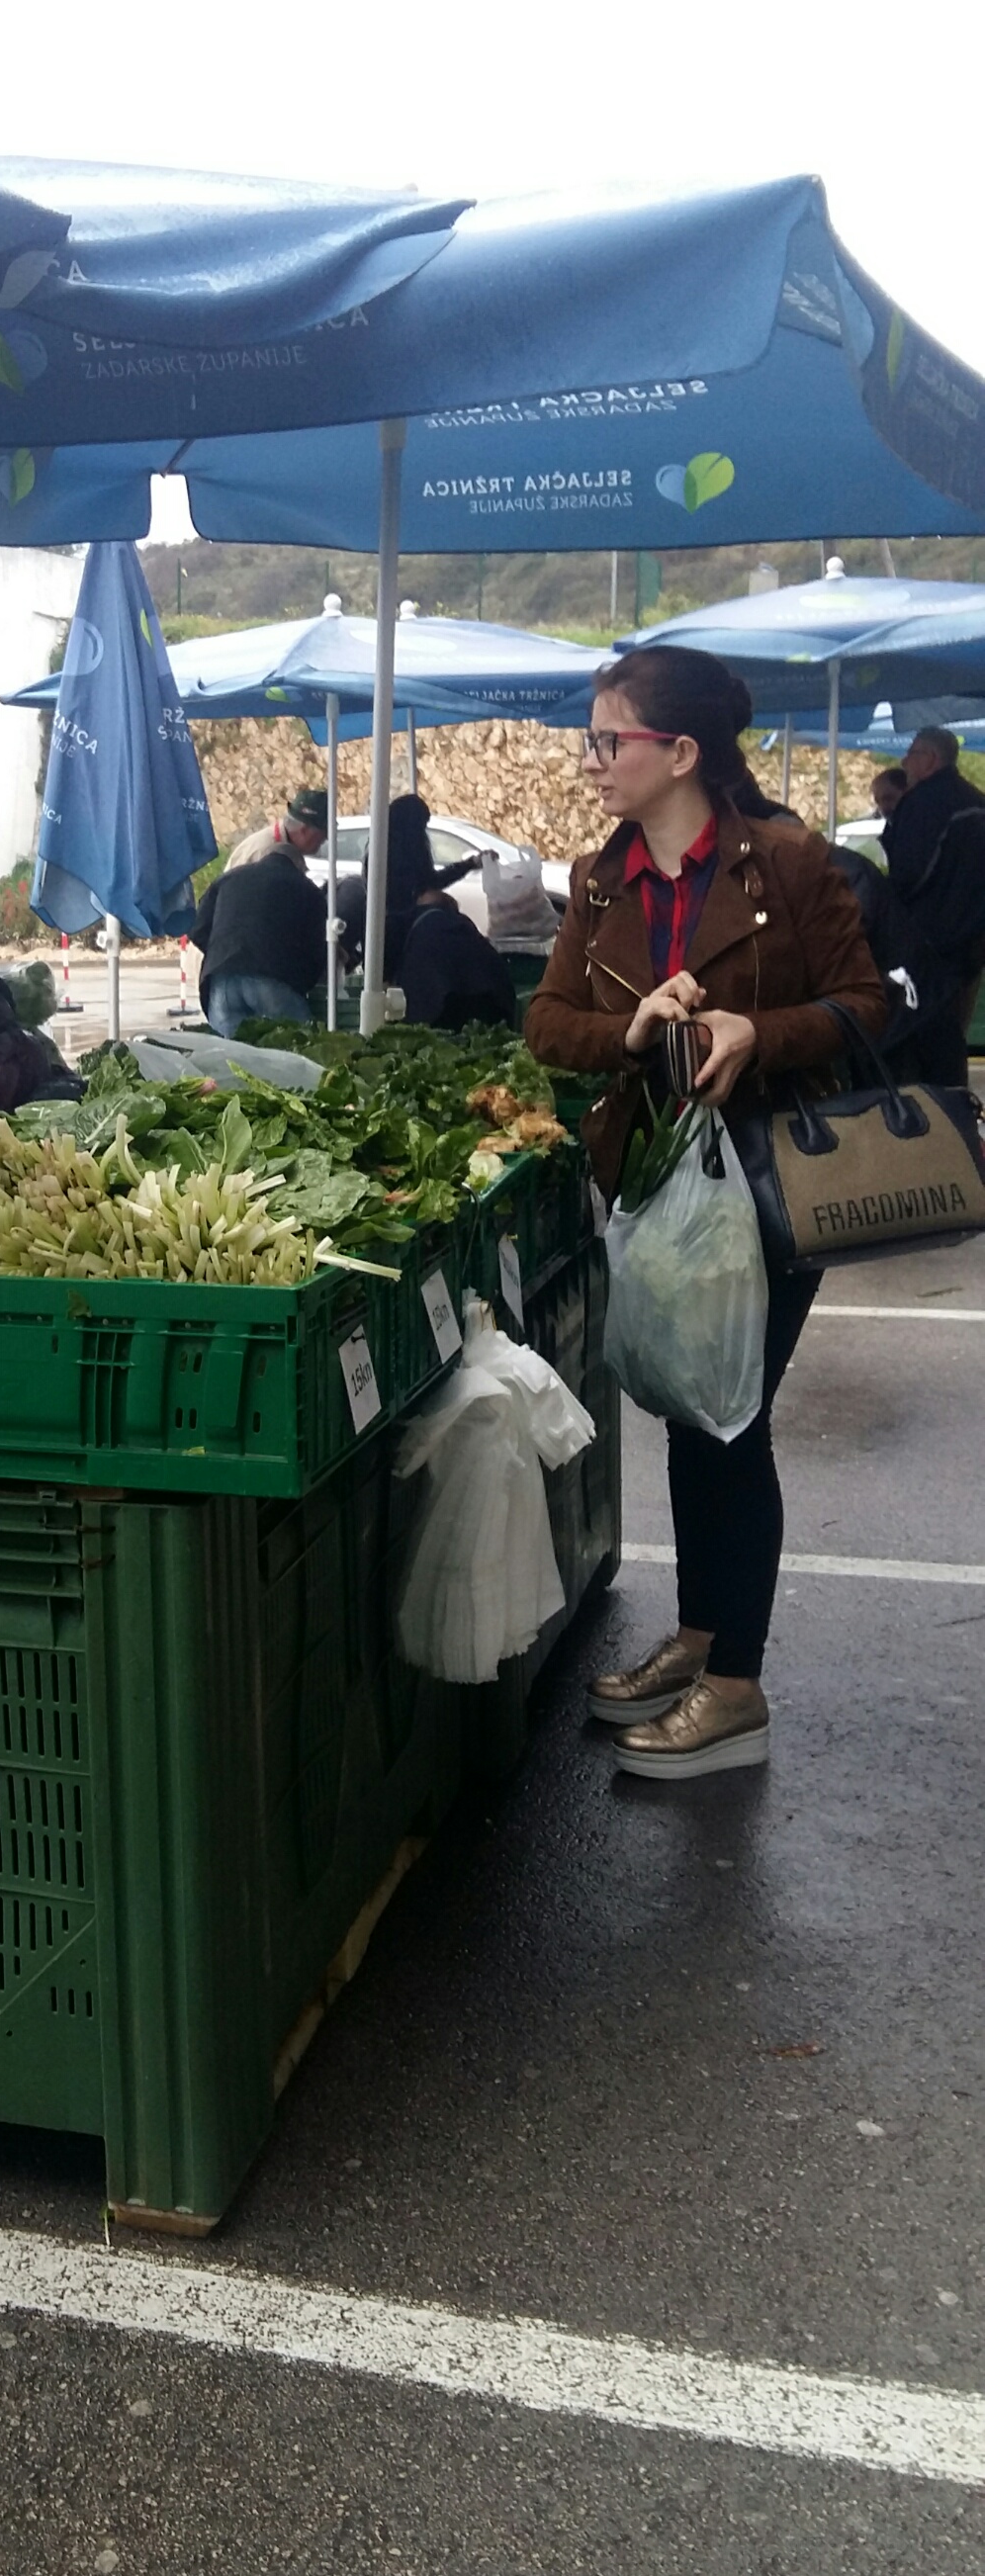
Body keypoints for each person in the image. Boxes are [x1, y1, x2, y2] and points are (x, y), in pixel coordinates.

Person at [525, 645, 884, 1783]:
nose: (591, 761)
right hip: (654, 1184)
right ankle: (698, 1631)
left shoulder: (783, 860)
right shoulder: (598, 878)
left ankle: (734, 1685)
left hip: (769, 1184)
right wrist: (629, 1034)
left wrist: (750, 1030)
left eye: (606, 740)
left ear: (676, 752)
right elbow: (544, 1024)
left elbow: (868, 1003)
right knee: (688, 1409)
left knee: (732, 1417)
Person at [877, 728, 985, 1087]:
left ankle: (930, 1116)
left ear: (932, 760)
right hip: (971, 943)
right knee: (954, 1031)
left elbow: (909, 873)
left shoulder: (926, 802)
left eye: (913, 753)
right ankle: (958, 1109)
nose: (905, 761)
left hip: (927, 942)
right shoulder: (977, 802)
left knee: (922, 1039)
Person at [377, 796, 516, 1027]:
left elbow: (430, 881)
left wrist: (469, 864)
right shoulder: (386, 854)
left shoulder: (404, 847)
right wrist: (423, 901)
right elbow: (399, 898)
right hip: (405, 931)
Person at [189, 847, 326, 1036]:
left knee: (232, 1057)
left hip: (221, 979)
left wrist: (222, 952)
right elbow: (316, 952)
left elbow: (198, 929)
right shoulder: (307, 889)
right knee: (298, 1049)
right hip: (274, 980)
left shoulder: (228, 879)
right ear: (299, 867)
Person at [224, 787, 329, 872]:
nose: (326, 838)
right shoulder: (267, 852)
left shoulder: (285, 850)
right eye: (323, 832)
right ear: (304, 831)